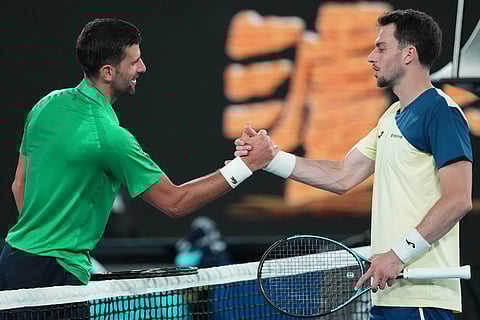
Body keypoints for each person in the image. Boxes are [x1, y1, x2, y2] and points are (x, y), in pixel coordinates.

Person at [1, 18, 275, 290]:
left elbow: (19, 186)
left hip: (14, 259)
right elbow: (175, 202)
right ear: (108, 72)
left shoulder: (45, 106)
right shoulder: (110, 137)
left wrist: (44, 236)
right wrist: (246, 165)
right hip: (54, 275)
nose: (142, 68)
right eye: (134, 62)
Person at [234, 9, 473, 320]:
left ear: (409, 54)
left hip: (421, 298)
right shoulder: (391, 117)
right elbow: (342, 175)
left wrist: (399, 254)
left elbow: (458, 199)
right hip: (389, 295)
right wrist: (270, 159)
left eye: (381, 47)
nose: (371, 57)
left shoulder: (441, 111)